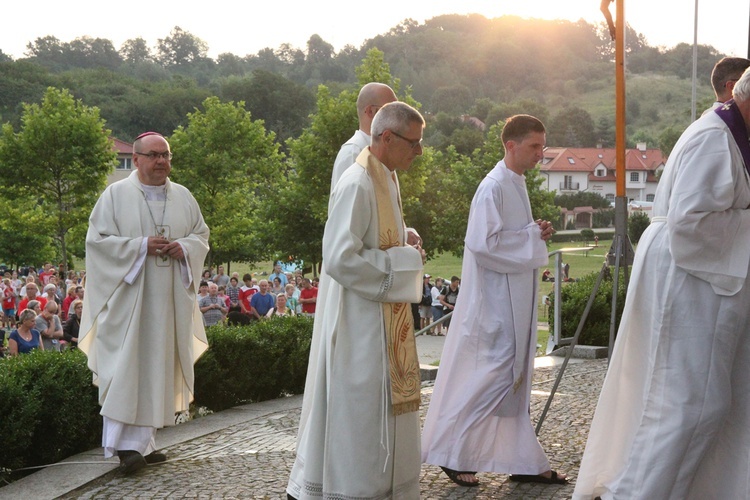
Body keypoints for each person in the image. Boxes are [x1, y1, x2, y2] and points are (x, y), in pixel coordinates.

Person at [574, 68, 750, 499]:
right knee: (689, 405)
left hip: (697, 277)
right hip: (689, 279)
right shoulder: (715, 138)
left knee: (699, 404)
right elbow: (691, 224)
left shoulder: (727, 132)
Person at [287, 102, 426, 499]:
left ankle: (386, 487)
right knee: (361, 413)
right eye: (413, 144)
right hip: (360, 323)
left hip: (385, 319)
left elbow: (374, 235)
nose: (418, 152)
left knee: (381, 410)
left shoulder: (386, 175)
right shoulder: (358, 180)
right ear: (386, 138)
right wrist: (403, 262)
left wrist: (405, 236)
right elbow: (339, 257)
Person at [421, 114, 563, 487]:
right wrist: (531, 237)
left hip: (514, 301)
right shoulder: (493, 186)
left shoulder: (515, 182)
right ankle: (450, 450)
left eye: (542, 146)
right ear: (510, 145)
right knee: (494, 379)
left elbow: (511, 236)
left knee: (514, 379)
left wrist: (536, 232)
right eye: (535, 146)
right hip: (496, 307)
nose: (540, 153)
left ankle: (525, 461)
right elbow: (484, 245)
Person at [78, 131, 210, 475]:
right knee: (126, 369)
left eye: (165, 155)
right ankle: (124, 447)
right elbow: (97, 242)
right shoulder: (115, 195)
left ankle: (144, 444)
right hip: (129, 306)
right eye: (153, 155)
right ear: (135, 159)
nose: (161, 162)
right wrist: (139, 247)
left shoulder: (183, 196)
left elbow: (201, 236)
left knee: (157, 368)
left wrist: (185, 247)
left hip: (166, 304)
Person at [330, 82, 398, 192]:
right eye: (391, 109)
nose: (397, 116)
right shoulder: (353, 154)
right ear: (371, 111)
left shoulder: (382, 152)